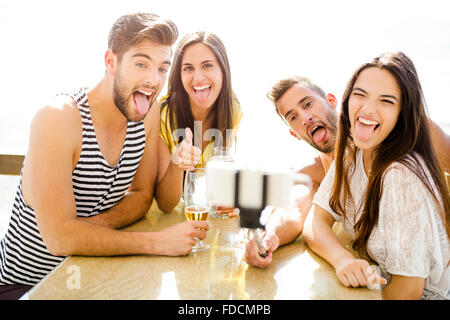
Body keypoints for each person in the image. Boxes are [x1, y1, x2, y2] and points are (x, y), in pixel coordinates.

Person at [0, 13, 209, 300]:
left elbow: (141, 195)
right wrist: (156, 242)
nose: (153, 80)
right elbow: (59, 239)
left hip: (92, 276)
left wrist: (85, 230)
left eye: (162, 68)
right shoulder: (58, 118)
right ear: (111, 62)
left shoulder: (146, 114)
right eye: (140, 64)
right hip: (27, 288)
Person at [245, 74, 450, 268]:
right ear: (294, 133)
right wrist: (269, 235)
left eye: (308, 104)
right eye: (293, 117)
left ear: (332, 101)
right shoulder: (316, 172)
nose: (305, 118)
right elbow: (294, 210)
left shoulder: (399, 132)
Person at [303, 51, 449, 299]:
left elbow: (407, 293)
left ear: (402, 114)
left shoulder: (400, 175)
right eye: (360, 95)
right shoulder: (353, 152)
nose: (367, 109)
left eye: (386, 101)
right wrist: (342, 260)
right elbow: (315, 221)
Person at [156, 31, 243, 213]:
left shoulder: (233, 109)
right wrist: (176, 164)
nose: (198, 78)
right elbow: (165, 205)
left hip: (205, 220)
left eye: (207, 66)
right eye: (188, 68)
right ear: (179, 74)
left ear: (222, 70)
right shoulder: (162, 115)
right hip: (167, 222)